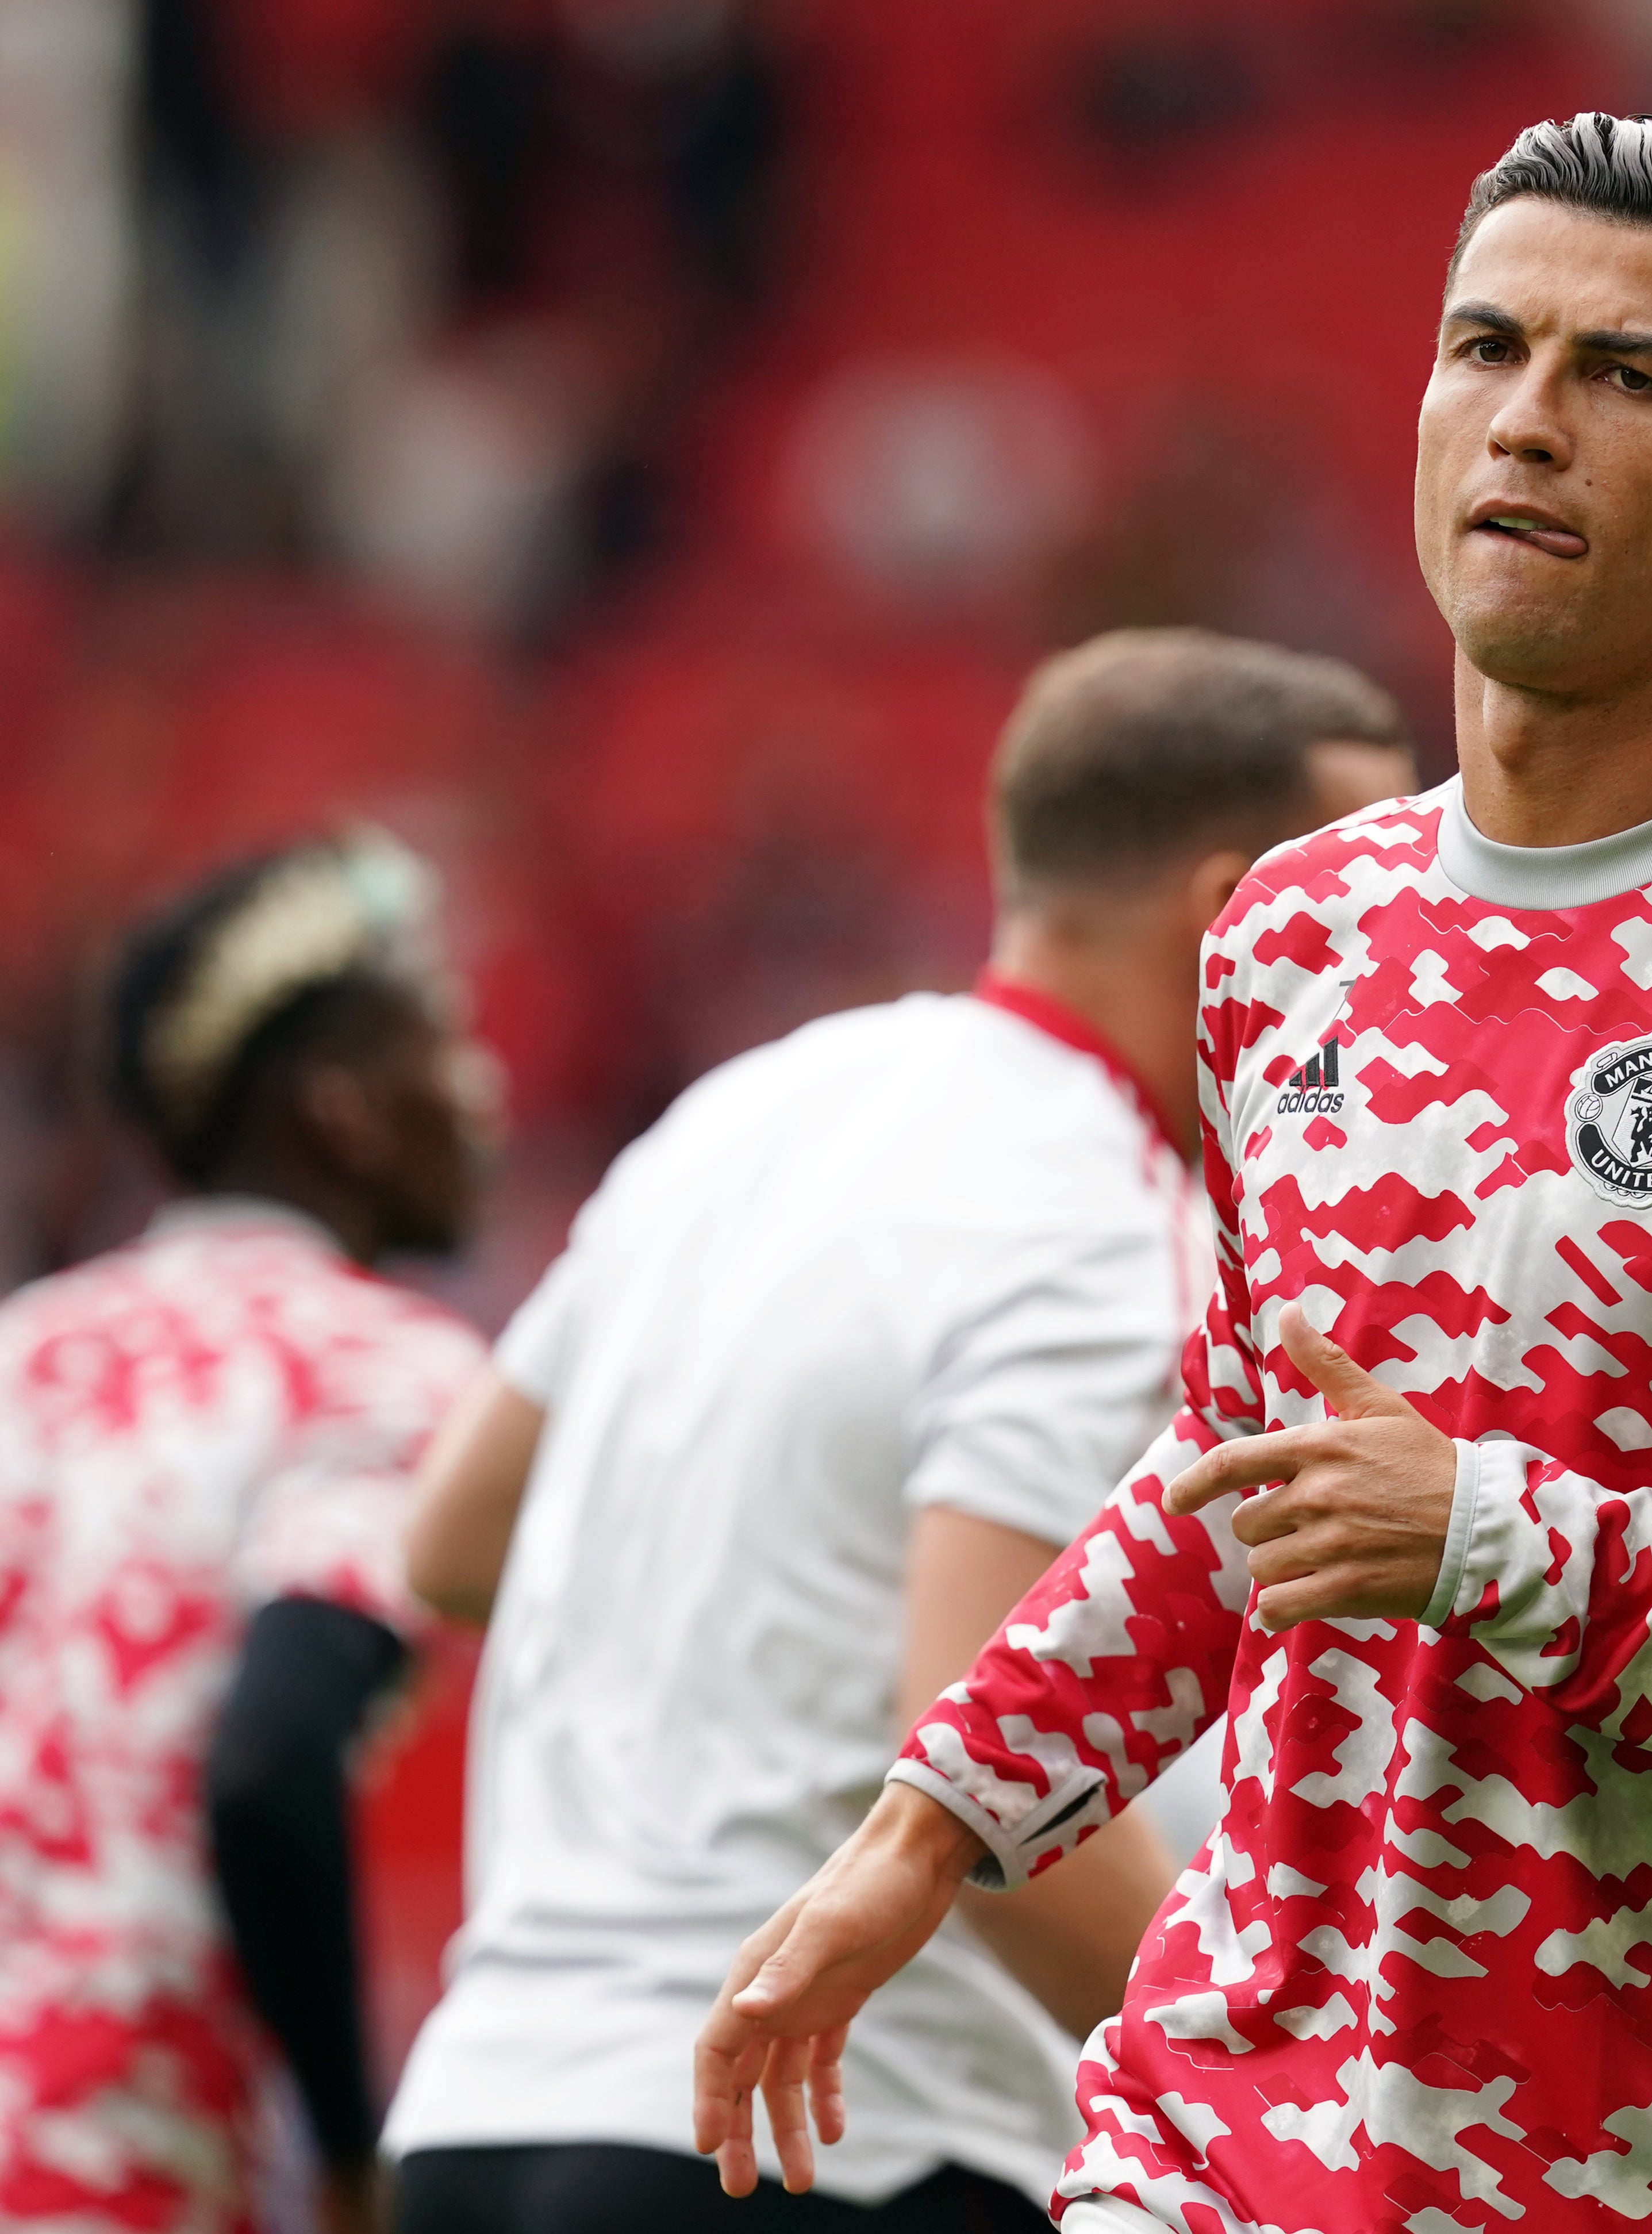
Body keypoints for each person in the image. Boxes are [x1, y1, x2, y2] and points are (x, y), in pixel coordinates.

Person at [693, 113, 1652, 2234]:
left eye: (1626, 377)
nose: (1527, 423)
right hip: (1213, 2136)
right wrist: (928, 1828)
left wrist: (1493, 1533)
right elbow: (1238, 1475)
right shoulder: (1294, 931)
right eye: (1485, 350)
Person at [382, 629, 1416, 2233]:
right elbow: (989, 1743)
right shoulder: (1094, 1208)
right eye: (1373, 923)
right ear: (1235, 915)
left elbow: (450, 1539)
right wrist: (1273, 2103)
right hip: (820, 2140)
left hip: (483, 2116)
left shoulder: (758, 1100)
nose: (1399, 983)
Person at [0, 831, 493, 2234]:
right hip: (129, 2163)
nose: (483, 1090)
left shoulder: (24, 1350)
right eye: (442, 1046)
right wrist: (350, 2155)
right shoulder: (385, 1369)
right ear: (336, 1108)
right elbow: (271, 1759)